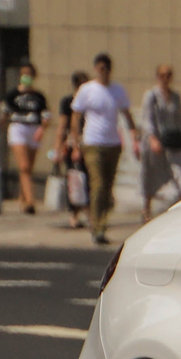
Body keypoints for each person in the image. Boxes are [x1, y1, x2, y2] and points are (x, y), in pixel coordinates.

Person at [71, 53, 139, 245]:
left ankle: (102, 220)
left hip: (113, 144)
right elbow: (75, 116)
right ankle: (97, 227)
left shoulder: (117, 90)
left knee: (108, 189)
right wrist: (75, 142)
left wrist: (134, 136)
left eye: (106, 69)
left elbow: (127, 114)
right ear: (95, 69)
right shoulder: (87, 90)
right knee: (98, 185)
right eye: (100, 68)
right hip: (93, 143)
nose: (103, 72)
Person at [140, 65, 181, 219]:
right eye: (162, 75)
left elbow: (179, 120)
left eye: (169, 75)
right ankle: (146, 208)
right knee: (151, 175)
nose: (166, 78)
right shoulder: (151, 96)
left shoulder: (175, 97)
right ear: (157, 76)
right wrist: (152, 139)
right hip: (155, 142)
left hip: (173, 142)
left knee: (180, 175)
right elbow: (146, 119)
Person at [4, 61, 50, 215]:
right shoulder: (13, 94)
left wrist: (42, 129)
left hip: (33, 130)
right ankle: (31, 201)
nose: (26, 77)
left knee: (28, 168)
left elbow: (46, 116)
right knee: (24, 167)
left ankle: (22, 198)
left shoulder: (39, 96)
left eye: (29, 74)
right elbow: (4, 114)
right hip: (18, 128)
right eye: (24, 74)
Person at [55, 70, 87, 229]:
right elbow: (62, 125)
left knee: (89, 179)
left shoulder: (90, 101)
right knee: (74, 179)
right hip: (71, 144)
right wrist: (58, 148)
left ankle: (88, 212)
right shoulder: (68, 101)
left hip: (89, 143)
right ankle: (74, 214)